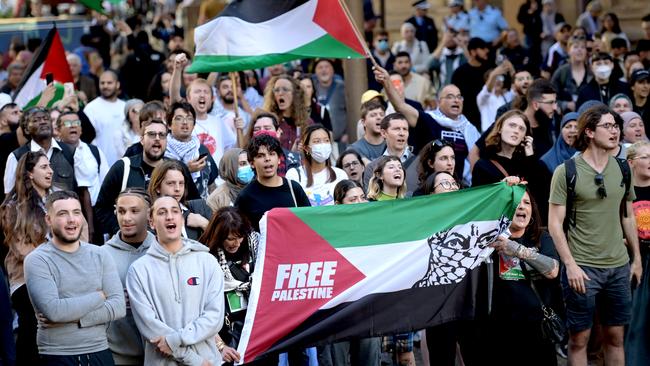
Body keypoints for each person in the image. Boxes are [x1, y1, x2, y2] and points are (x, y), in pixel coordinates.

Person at [548, 105, 642, 366]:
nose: (615, 132)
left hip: (618, 266)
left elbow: (627, 215)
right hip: (583, 266)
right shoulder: (566, 171)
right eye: (608, 126)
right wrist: (570, 265)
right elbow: (555, 224)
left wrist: (636, 260)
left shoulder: (623, 169)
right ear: (589, 132)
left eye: (616, 126)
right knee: (579, 339)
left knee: (615, 337)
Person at [24, 190, 126, 365]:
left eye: (76, 212)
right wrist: (100, 296)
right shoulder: (37, 260)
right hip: (57, 355)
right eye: (63, 214)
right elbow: (54, 311)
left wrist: (76, 317)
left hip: (100, 352)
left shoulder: (100, 254)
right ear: (48, 220)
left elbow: (118, 306)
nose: (71, 219)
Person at [126, 195, 224, 366]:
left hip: (209, 361)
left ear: (181, 218)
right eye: (162, 212)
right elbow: (150, 329)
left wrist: (175, 339)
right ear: (152, 223)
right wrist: (194, 360)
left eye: (174, 211)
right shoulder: (138, 271)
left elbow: (214, 317)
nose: (169, 216)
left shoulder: (207, 261)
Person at [484, 190, 560, 365]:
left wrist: (516, 249)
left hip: (537, 327)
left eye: (527, 202)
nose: (522, 206)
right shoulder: (490, 240)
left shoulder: (541, 237)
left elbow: (553, 270)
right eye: (516, 202)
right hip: (501, 330)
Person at [95, 117, 199, 238]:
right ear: (141, 139)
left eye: (162, 135)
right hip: (131, 244)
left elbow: (193, 202)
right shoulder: (123, 167)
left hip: (171, 241)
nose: (157, 139)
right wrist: (120, 229)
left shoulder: (177, 168)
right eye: (151, 134)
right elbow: (101, 207)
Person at [0, 151, 51, 364]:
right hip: (25, 280)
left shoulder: (59, 200)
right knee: (31, 326)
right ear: (29, 173)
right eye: (44, 167)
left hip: (59, 276)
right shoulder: (13, 208)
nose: (50, 171)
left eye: (50, 166)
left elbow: (80, 232)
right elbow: (22, 251)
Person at [101, 188, 156, 366]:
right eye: (121, 211)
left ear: (149, 214)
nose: (126, 218)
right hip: (118, 354)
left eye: (134, 211)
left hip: (160, 352)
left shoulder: (162, 249)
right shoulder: (102, 255)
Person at [197, 207, 259, 365]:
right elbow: (198, 308)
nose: (236, 243)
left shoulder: (256, 248)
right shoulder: (204, 258)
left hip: (257, 334)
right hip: (225, 337)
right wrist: (220, 346)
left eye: (240, 237)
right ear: (218, 236)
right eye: (230, 238)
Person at [235, 133, 311, 232]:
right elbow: (239, 232)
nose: (267, 159)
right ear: (252, 163)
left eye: (271, 154)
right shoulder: (245, 196)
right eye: (260, 156)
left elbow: (309, 221)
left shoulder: (294, 188)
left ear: (279, 159)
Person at [4, 107, 76, 195]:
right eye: (35, 120)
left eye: (46, 119)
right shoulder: (16, 156)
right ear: (26, 129)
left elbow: (80, 191)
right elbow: (10, 196)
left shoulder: (70, 151)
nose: (43, 122)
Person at [624, 141, 650, 366]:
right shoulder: (625, 191)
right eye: (646, 157)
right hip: (634, 259)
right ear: (632, 162)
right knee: (637, 320)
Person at [148, 160, 212, 241]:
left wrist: (204, 224)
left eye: (181, 183)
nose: (177, 189)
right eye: (171, 183)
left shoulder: (199, 208)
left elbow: (224, 242)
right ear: (157, 187)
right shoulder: (149, 217)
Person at [164, 101, 217, 199]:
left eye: (189, 118)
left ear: (194, 124)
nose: (185, 122)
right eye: (179, 118)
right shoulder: (163, 151)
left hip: (201, 208)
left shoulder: (201, 149)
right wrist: (186, 170)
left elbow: (211, 185)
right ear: (169, 125)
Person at [286, 124, 347, 206]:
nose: (323, 145)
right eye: (317, 141)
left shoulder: (340, 174)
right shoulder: (294, 175)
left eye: (326, 140)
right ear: (307, 148)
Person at [472, 110, 535, 186]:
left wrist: (530, 155)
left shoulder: (526, 163)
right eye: (512, 125)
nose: (516, 131)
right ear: (500, 129)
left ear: (524, 137)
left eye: (521, 129)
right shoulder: (484, 165)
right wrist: (502, 185)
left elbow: (537, 191)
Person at [362, 113, 417, 190]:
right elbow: (371, 199)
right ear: (384, 133)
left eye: (405, 129)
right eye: (397, 129)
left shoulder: (420, 163)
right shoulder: (372, 168)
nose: (402, 133)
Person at [83, 70, 127, 166]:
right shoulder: (91, 108)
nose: (105, 86)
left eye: (109, 83)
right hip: (98, 163)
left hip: (124, 163)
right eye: (102, 83)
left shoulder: (125, 107)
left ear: (117, 84)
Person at [451, 37, 492, 130]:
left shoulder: (490, 70)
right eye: (482, 48)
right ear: (473, 52)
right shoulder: (460, 73)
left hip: (489, 117)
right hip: (468, 119)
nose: (487, 50)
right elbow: (455, 97)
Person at [264, 74, 311, 151]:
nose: (280, 93)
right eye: (276, 90)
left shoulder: (307, 122)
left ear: (295, 94)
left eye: (285, 89)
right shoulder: (268, 122)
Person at [244, 110, 300, 175]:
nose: (262, 132)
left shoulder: (295, 160)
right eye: (257, 129)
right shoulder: (245, 161)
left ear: (278, 132)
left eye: (267, 128)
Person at [551, 36, 591, 113]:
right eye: (576, 47)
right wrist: (565, 105)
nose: (579, 50)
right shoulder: (561, 72)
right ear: (568, 50)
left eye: (583, 47)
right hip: (566, 117)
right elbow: (551, 98)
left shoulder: (592, 73)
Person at [313, 59, 347, 142]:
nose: (323, 70)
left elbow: (351, 111)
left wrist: (347, 133)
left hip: (340, 139)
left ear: (333, 70)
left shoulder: (342, 88)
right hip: (317, 141)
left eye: (327, 67)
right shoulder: (311, 88)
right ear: (315, 72)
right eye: (320, 67)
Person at [476, 61, 515, 131]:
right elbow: (487, 90)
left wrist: (512, 70)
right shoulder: (483, 98)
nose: (498, 81)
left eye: (500, 78)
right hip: (488, 135)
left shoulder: (507, 96)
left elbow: (515, 88)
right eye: (495, 78)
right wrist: (494, 74)